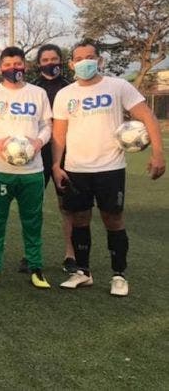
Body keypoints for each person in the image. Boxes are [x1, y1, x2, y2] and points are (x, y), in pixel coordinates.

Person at [52, 40, 165, 296]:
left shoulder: (118, 86)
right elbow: (59, 133)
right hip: (75, 167)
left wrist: (158, 153)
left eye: (90, 57)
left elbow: (148, 117)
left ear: (100, 60)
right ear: (71, 65)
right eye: (79, 58)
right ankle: (83, 272)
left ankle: (119, 275)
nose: (84, 62)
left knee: (112, 219)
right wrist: (56, 165)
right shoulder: (65, 94)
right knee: (79, 218)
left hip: (110, 167)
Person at [0, 46, 52, 289]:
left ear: (25, 66)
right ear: (0, 68)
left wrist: (39, 141)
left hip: (32, 171)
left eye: (18, 64)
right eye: (8, 65)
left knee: (33, 220)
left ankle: (36, 268)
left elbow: (46, 125)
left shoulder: (37, 93)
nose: (13, 69)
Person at [18, 44, 76, 275]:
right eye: (46, 59)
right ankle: (30, 254)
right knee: (32, 206)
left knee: (67, 206)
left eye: (55, 59)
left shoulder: (71, 89)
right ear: (38, 64)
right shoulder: (32, 90)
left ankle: (71, 255)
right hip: (37, 154)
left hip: (67, 154)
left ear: (62, 61)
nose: (51, 63)